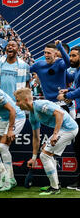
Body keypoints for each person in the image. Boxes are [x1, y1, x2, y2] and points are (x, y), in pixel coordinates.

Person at [15, 88, 78, 195]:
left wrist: (55, 135)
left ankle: (54, 188)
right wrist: (33, 158)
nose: (16, 104)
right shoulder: (32, 116)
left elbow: (59, 114)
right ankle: (55, 184)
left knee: (45, 155)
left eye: (17, 100)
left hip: (69, 129)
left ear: (25, 100)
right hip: (65, 129)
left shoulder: (40, 105)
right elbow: (36, 137)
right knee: (45, 151)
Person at [56, 45, 80, 190]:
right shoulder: (77, 71)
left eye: (74, 56)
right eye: (70, 56)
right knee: (77, 147)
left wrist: (67, 95)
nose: (71, 58)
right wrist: (69, 90)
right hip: (78, 113)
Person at [30, 41, 70, 106]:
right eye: (45, 52)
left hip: (61, 102)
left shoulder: (60, 63)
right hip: (48, 103)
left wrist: (60, 47)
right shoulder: (38, 65)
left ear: (55, 54)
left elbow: (68, 63)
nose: (46, 55)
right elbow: (25, 69)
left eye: (48, 53)